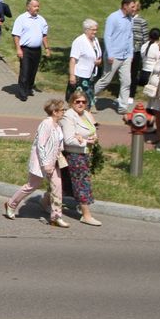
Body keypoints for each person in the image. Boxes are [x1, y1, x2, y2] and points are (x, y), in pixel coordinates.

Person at [3, 99, 69, 227]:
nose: (64, 112)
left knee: (57, 187)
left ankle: (56, 217)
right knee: (32, 186)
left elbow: (58, 143)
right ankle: (11, 204)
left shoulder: (58, 125)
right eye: (62, 110)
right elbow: (40, 145)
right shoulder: (46, 124)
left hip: (54, 161)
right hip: (40, 162)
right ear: (54, 112)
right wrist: (45, 164)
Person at [61, 91, 101, 226]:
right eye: (77, 101)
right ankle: (86, 215)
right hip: (74, 155)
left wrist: (94, 138)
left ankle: (45, 201)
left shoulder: (86, 114)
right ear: (71, 103)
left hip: (85, 154)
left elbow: (93, 130)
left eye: (83, 102)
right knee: (82, 183)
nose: (80, 104)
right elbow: (68, 139)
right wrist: (86, 142)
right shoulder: (68, 116)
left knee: (65, 183)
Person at [94, 0, 136, 113]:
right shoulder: (113, 18)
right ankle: (88, 97)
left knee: (126, 81)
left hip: (126, 56)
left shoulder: (130, 19)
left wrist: (131, 53)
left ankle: (123, 107)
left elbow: (130, 36)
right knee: (106, 80)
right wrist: (110, 54)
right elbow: (107, 36)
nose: (134, 9)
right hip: (114, 56)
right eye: (132, 7)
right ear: (125, 6)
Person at [12, 0, 51, 102]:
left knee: (33, 71)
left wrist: (47, 48)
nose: (37, 8)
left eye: (38, 6)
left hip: (37, 49)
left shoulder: (41, 20)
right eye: (34, 6)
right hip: (25, 49)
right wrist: (18, 49)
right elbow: (16, 35)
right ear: (28, 7)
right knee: (25, 71)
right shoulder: (21, 19)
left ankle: (29, 88)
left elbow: (44, 35)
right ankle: (22, 93)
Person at [68, 19, 102, 105]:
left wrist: (99, 61)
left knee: (88, 100)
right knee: (78, 100)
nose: (95, 32)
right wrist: (72, 75)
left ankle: (86, 112)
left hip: (90, 75)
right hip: (80, 76)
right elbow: (73, 59)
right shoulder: (79, 41)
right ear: (86, 30)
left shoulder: (95, 40)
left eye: (96, 29)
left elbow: (97, 53)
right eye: (93, 30)